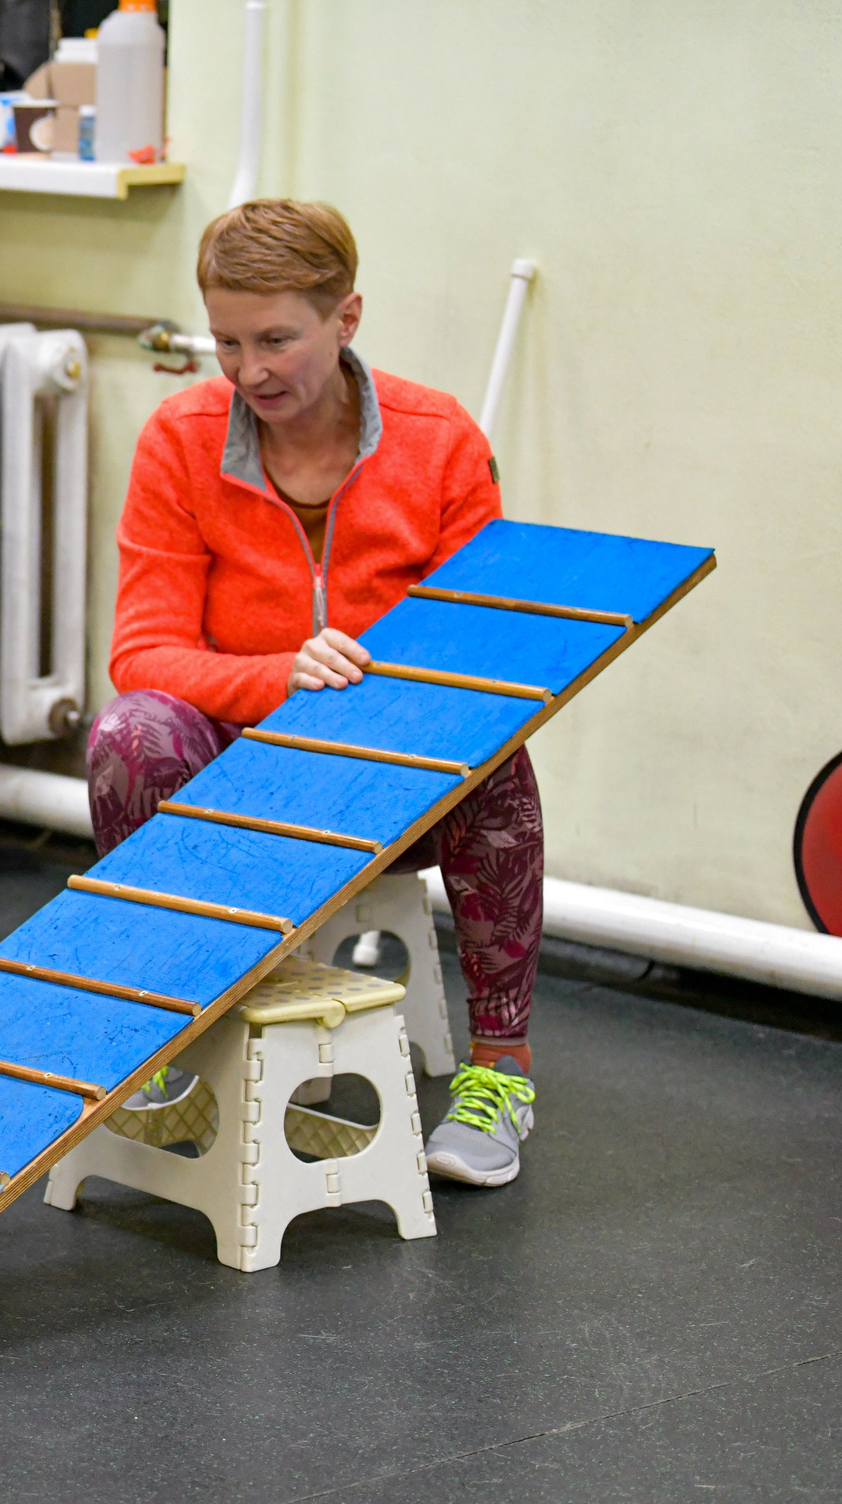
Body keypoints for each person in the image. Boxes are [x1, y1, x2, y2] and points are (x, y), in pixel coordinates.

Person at [99, 199, 543, 1187]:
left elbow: (485, 651)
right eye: (224, 342)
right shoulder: (179, 440)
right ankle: (165, 1035)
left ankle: (501, 1073)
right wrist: (275, 675)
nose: (249, 371)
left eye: (275, 340)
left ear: (344, 320)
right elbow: (142, 652)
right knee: (131, 734)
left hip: (400, 785)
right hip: (238, 766)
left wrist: (392, 709)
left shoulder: (437, 440)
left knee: (500, 754)